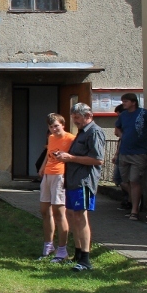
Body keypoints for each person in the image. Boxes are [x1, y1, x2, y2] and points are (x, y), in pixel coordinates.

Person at [54, 102, 105, 272]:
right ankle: (77, 253)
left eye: (77, 118)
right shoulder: (82, 132)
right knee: (73, 216)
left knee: (81, 217)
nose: (75, 121)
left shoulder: (94, 132)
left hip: (84, 182)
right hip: (73, 180)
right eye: (73, 117)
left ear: (88, 116)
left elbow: (98, 159)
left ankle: (85, 259)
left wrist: (71, 158)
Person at [115, 93, 147, 219]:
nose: (123, 104)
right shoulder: (123, 115)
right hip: (124, 152)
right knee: (125, 181)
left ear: (133, 102)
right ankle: (136, 201)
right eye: (123, 101)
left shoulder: (144, 113)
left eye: (126, 101)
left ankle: (134, 210)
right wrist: (123, 136)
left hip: (139, 153)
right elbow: (117, 128)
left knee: (134, 180)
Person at [37, 113, 75, 262]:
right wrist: (42, 167)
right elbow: (48, 153)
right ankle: (48, 245)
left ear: (62, 125)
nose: (54, 129)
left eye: (56, 126)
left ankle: (62, 250)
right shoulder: (51, 137)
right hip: (48, 174)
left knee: (59, 212)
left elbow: (73, 157)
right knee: (44, 210)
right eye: (51, 127)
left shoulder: (70, 138)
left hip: (60, 175)